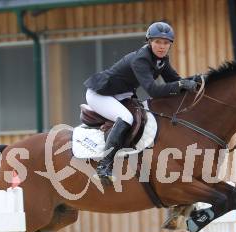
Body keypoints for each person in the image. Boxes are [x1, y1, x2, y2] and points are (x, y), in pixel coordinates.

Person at [84, 21, 197, 184]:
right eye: (158, 42)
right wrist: (180, 85)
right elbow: (154, 91)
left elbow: (174, 80)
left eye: (166, 43)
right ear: (149, 42)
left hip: (121, 94)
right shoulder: (141, 59)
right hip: (101, 94)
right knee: (126, 118)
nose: (162, 46)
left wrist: (198, 80)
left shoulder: (162, 59)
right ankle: (104, 166)